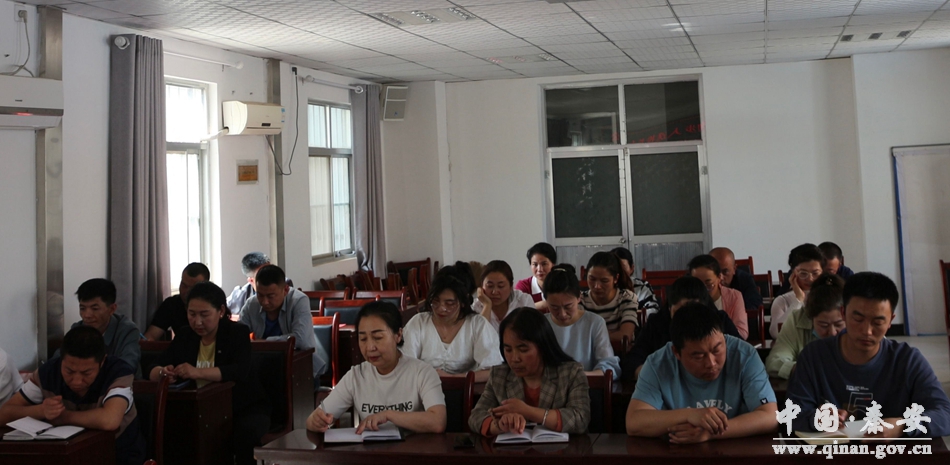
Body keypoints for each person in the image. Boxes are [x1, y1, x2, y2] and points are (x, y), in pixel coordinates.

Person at [787, 272, 950, 437]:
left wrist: (902, 426)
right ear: (843, 313)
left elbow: (944, 414)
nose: (867, 331)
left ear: (890, 321)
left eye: (878, 322)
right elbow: (793, 414)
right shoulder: (814, 356)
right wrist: (815, 418)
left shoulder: (907, 360)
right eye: (858, 320)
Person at [148, 282, 270, 465]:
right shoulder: (185, 335)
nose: (197, 322)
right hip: (197, 409)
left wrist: (197, 372)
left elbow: (239, 370)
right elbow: (153, 366)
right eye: (192, 314)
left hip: (241, 407)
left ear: (221, 311)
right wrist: (162, 373)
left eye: (204, 315)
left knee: (244, 435)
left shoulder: (237, 332)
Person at [625, 303, 776, 443]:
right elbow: (634, 422)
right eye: (698, 356)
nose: (711, 363)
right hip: (675, 453)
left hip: (733, 450)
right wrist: (690, 415)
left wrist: (711, 433)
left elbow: (770, 417)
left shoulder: (745, 356)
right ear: (676, 352)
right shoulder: (658, 364)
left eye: (716, 350)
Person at [1, 326, 145, 465]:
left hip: (117, 455)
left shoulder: (118, 372)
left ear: (102, 362)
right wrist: (41, 410)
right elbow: (3, 414)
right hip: (62, 456)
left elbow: (110, 420)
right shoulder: (48, 372)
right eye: (69, 371)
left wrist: (63, 416)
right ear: (61, 360)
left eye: (86, 373)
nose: (76, 381)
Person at [306, 301, 447, 434]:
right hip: (372, 450)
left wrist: (388, 415)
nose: (370, 347)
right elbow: (315, 419)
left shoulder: (422, 372)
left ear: (398, 335)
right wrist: (315, 421)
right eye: (363, 339)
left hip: (413, 449)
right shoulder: (356, 376)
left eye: (378, 337)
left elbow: (438, 421)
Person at [468, 307, 590, 435]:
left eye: (523, 350)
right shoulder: (499, 375)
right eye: (508, 350)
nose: (514, 359)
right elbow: (475, 417)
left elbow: (580, 419)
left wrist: (527, 411)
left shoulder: (571, 373)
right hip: (515, 446)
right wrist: (500, 424)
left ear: (543, 346)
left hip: (561, 447)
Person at [622, 276, 740, 383]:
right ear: (670, 309)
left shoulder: (719, 320)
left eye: (695, 311)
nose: (687, 319)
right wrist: (654, 376)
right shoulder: (657, 323)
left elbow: (740, 355)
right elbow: (632, 362)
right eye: (680, 313)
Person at [402, 274, 503, 383]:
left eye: (449, 303)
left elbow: (492, 371)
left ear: (462, 303)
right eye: (435, 302)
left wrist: (454, 378)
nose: (441, 308)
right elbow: (405, 365)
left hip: (466, 388)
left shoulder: (477, 324)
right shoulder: (419, 322)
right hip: (423, 386)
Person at [240, 264, 328, 379]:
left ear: (285, 290)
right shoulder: (251, 304)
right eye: (260, 295)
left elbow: (300, 339)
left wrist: (265, 342)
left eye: (271, 296)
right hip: (264, 366)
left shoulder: (299, 301)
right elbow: (238, 335)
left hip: (300, 369)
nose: (265, 302)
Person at [542, 264, 621, 380]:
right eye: (554, 307)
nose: (562, 314)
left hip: (585, 385)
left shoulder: (594, 323)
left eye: (568, 306)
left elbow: (609, 367)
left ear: (579, 297)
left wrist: (577, 377)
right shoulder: (541, 324)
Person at [765, 273, 845, 379]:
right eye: (823, 325)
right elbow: (774, 362)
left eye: (838, 324)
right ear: (810, 318)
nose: (832, 332)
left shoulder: (857, 323)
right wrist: (807, 369)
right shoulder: (797, 319)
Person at [58, 278, 141, 376]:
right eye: (82, 308)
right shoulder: (77, 329)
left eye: (95, 309)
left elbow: (128, 365)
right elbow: (57, 362)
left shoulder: (127, 330)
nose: (87, 315)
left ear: (112, 309)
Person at [580, 252, 639, 345]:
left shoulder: (626, 298)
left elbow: (625, 336)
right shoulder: (580, 300)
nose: (597, 286)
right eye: (592, 279)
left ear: (616, 278)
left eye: (604, 281)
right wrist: (612, 334)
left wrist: (591, 336)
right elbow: (577, 336)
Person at [769, 244, 824, 339]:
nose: (810, 279)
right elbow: (777, 333)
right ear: (793, 273)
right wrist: (798, 300)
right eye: (803, 273)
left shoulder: (832, 297)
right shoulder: (782, 300)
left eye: (815, 273)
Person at [687, 255, 749, 340]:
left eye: (708, 284)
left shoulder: (734, 296)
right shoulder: (685, 299)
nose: (702, 290)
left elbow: (742, 333)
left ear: (719, 277)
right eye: (697, 284)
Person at [144, 262, 209, 341]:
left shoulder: (214, 306)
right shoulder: (172, 304)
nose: (186, 292)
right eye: (184, 285)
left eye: (192, 288)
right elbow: (151, 335)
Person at [473, 260, 536, 332]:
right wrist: (487, 305)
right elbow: (478, 335)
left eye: (501, 286)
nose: (494, 292)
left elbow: (533, 333)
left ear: (511, 286)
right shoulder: (476, 307)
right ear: (481, 286)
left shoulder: (524, 301)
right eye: (490, 286)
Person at [227, 252, 293, 315]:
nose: (270, 276)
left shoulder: (283, 283)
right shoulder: (240, 294)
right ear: (251, 280)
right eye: (262, 275)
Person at [610, 247, 661, 320]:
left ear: (632, 268)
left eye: (623, 267)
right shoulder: (603, 288)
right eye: (615, 267)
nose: (619, 272)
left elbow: (654, 311)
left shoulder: (641, 287)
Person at [709, 247, 762, 312]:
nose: (721, 277)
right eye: (716, 272)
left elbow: (754, 307)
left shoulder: (744, 280)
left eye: (725, 271)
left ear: (734, 269)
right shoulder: (702, 281)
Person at [515, 242, 556, 311]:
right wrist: (544, 304)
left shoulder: (562, 284)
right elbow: (516, 311)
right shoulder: (523, 287)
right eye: (535, 264)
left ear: (553, 264)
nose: (539, 269)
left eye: (544, 264)